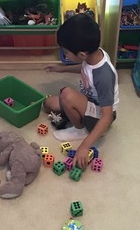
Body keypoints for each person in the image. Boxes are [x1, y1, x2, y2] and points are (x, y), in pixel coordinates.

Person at [44, 13, 119, 169]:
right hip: (89, 103)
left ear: (82, 54)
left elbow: (107, 116)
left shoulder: (104, 75)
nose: (64, 54)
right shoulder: (93, 55)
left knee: (66, 94)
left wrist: (84, 146)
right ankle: (77, 116)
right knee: (48, 103)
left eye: (66, 52)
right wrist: (62, 70)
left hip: (101, 117)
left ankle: (81, 130)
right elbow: (85, 68)